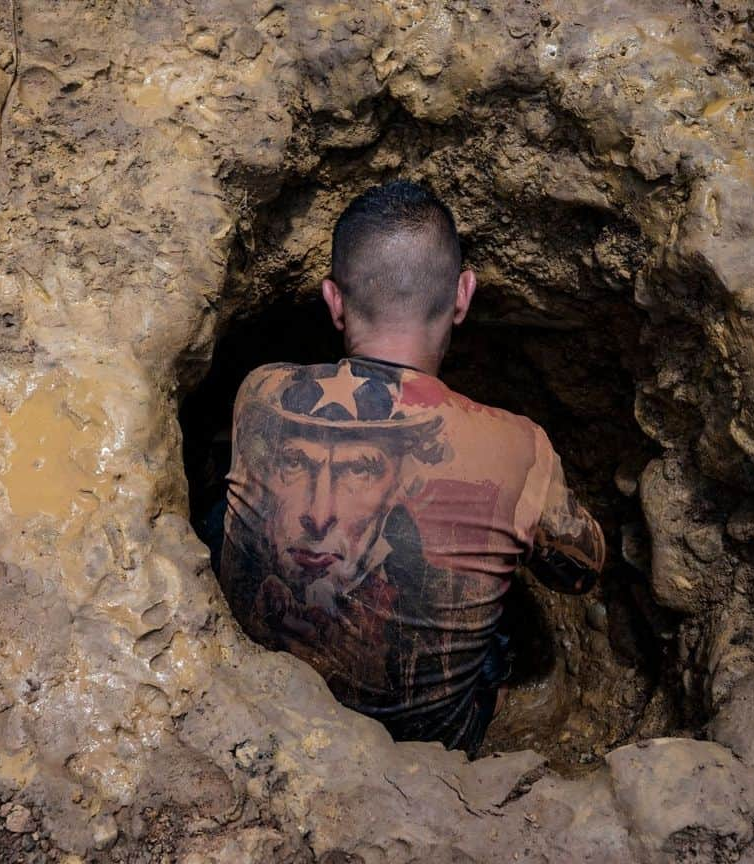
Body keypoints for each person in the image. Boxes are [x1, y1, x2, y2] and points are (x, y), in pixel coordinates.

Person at [218, 180, 606, 756]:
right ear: (463, 295)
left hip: (256, 706)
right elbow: (580, 573)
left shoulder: (260, 391)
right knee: (504, 634)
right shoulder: (521, 447)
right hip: (422, 750)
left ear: (333, 300)